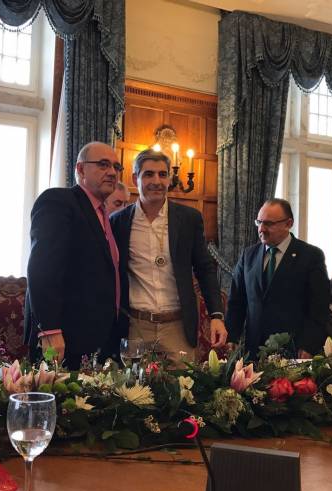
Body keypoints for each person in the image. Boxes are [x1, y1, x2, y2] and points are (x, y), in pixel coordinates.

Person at [110, 149, 226, 364]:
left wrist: (216, 315)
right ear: (135, 178)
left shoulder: (189, 218)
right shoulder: (118, 222)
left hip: (177, 327)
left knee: (182, 385)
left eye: (162, 174)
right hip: (136, 326)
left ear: (169, 179)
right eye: (148, 174)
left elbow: (205, 268)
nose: (156, 181)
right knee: (133, 386)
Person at [25, 141, 121, 370]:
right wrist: (49, 329)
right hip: (62, 338)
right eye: (103, 164)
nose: (112, 172)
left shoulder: (103, 215)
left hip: (97, 338)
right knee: (53, 394)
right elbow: (42, 267)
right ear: (80, 169)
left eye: (116, 167)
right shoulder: (58, 201)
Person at [225, 198, 330, 358]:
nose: (261, 229)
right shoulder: (249, 255)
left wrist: (309, 345)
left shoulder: (310, 256)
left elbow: (319, 307)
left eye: (268, 224)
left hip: (292, 350)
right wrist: (232, 336)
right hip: (253, 351)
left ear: (288, 224)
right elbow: (236, 301)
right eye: (259, 222)